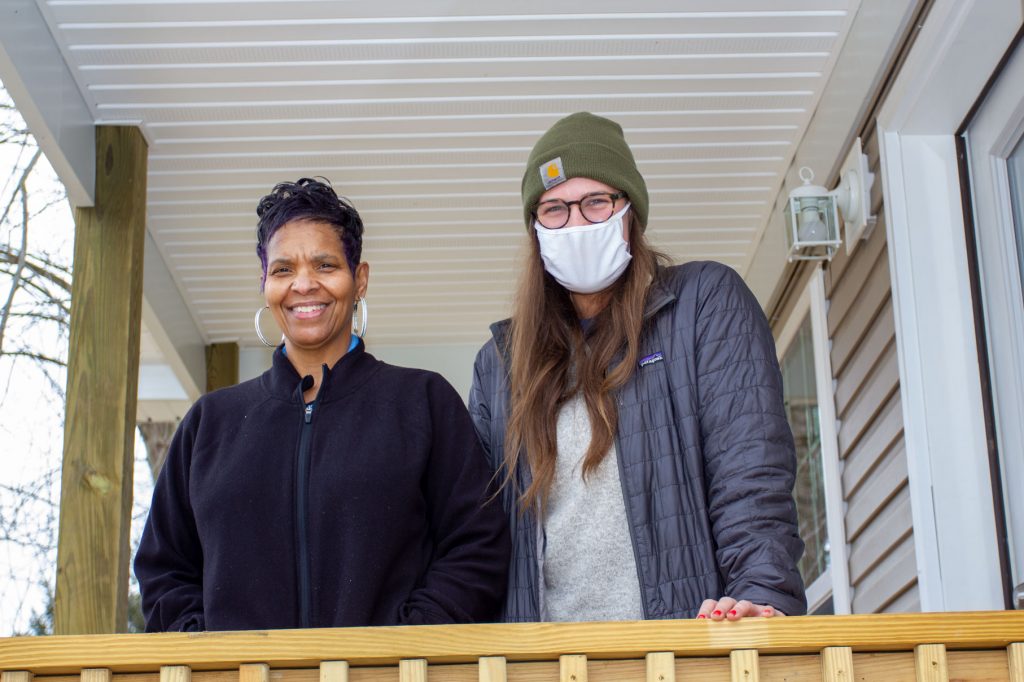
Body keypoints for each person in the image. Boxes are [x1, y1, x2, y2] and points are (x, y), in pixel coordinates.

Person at [469, 113, 806, 624]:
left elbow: (751, 470)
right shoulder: (501, 364)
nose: (577, 223)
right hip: (546, 662)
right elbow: (477, 534)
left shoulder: (702, 306)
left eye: (596, 203)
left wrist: (762, 594)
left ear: (630, 212)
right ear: (535, 229)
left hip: (681, 652)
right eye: (555, 209)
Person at [135, 178, 510, 632]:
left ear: (360, 280)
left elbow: (478, 545)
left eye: (325, 264)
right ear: (264, 284)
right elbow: (164, 568)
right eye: (283, 269)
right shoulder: (210, 424)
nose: (304, 285)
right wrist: (209, 657)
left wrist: (406, 645)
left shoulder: (422, 403)